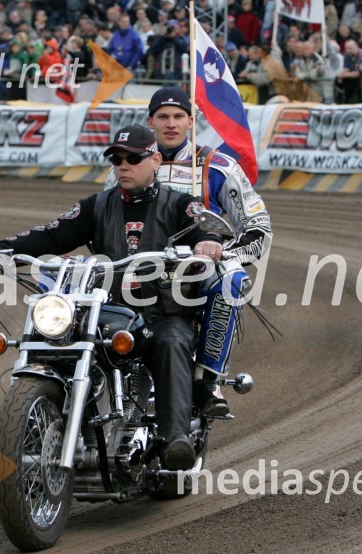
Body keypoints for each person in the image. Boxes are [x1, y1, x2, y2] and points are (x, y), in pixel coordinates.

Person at [0, 125, 220, 470]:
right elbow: (51, 234)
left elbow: (205, 229)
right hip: (108, 312)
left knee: (172, 342)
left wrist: (208, 242)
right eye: (117, 159)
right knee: (54, 335)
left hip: (162, 313)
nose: (123, 166)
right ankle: (17, 432)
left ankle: (174, 438)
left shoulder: (181, 204)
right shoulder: (97, 206)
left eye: (133, 159)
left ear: (156, 160)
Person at [104, 87, 273, 418]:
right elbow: (103, 217)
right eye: (163, 117)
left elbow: (259, 227)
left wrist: (223, 253)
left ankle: (207, 378)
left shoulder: (217, 165)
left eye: (179, 116)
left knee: (232, 281)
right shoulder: (127, 164)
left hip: (195, 270)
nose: (171, 124)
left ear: (191, 121)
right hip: (139, 268)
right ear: (150, 121)